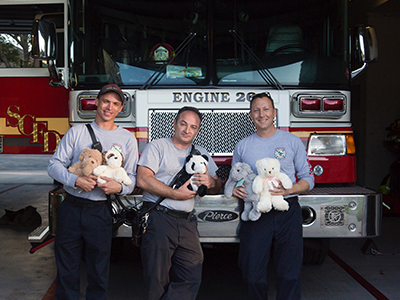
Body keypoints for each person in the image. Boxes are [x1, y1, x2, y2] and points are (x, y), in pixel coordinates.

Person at [48, 84, 138, 300]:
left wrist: (120, 187)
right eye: (106, 101)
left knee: (98, 270)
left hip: (101, 212)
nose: (110, 107)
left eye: (115, 104)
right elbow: (54, 165)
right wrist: (75, 180)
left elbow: (133, 177)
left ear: (121, 109)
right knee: (66, 267)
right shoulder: (76, 132)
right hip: (71, 207)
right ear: (97, 103)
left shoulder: (127, 139)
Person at [231, 92, 314, 300]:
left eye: (266, 109)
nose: (262, 114)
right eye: (257, 110)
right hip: (256, 214)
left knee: (289, 274)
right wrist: (235, 188)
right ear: (250, 115)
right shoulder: (242, 146)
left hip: (287, 210)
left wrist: (289, 190)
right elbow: (236, 178)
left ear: (274, 112)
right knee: (252, 275)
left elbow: (308, 179)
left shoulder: (292, 142)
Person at [137, 106, 222, 300]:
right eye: (183, 124)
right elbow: (142, 179)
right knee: (156, 280)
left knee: (191, 275)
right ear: (174, 124)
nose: (187, 130)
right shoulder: (158, 146)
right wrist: (176, 194)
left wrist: (211, 182)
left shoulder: (201, 153)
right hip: (159, 218)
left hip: (187, 223)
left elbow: (217, 186)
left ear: (197, 130)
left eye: (193, 127)